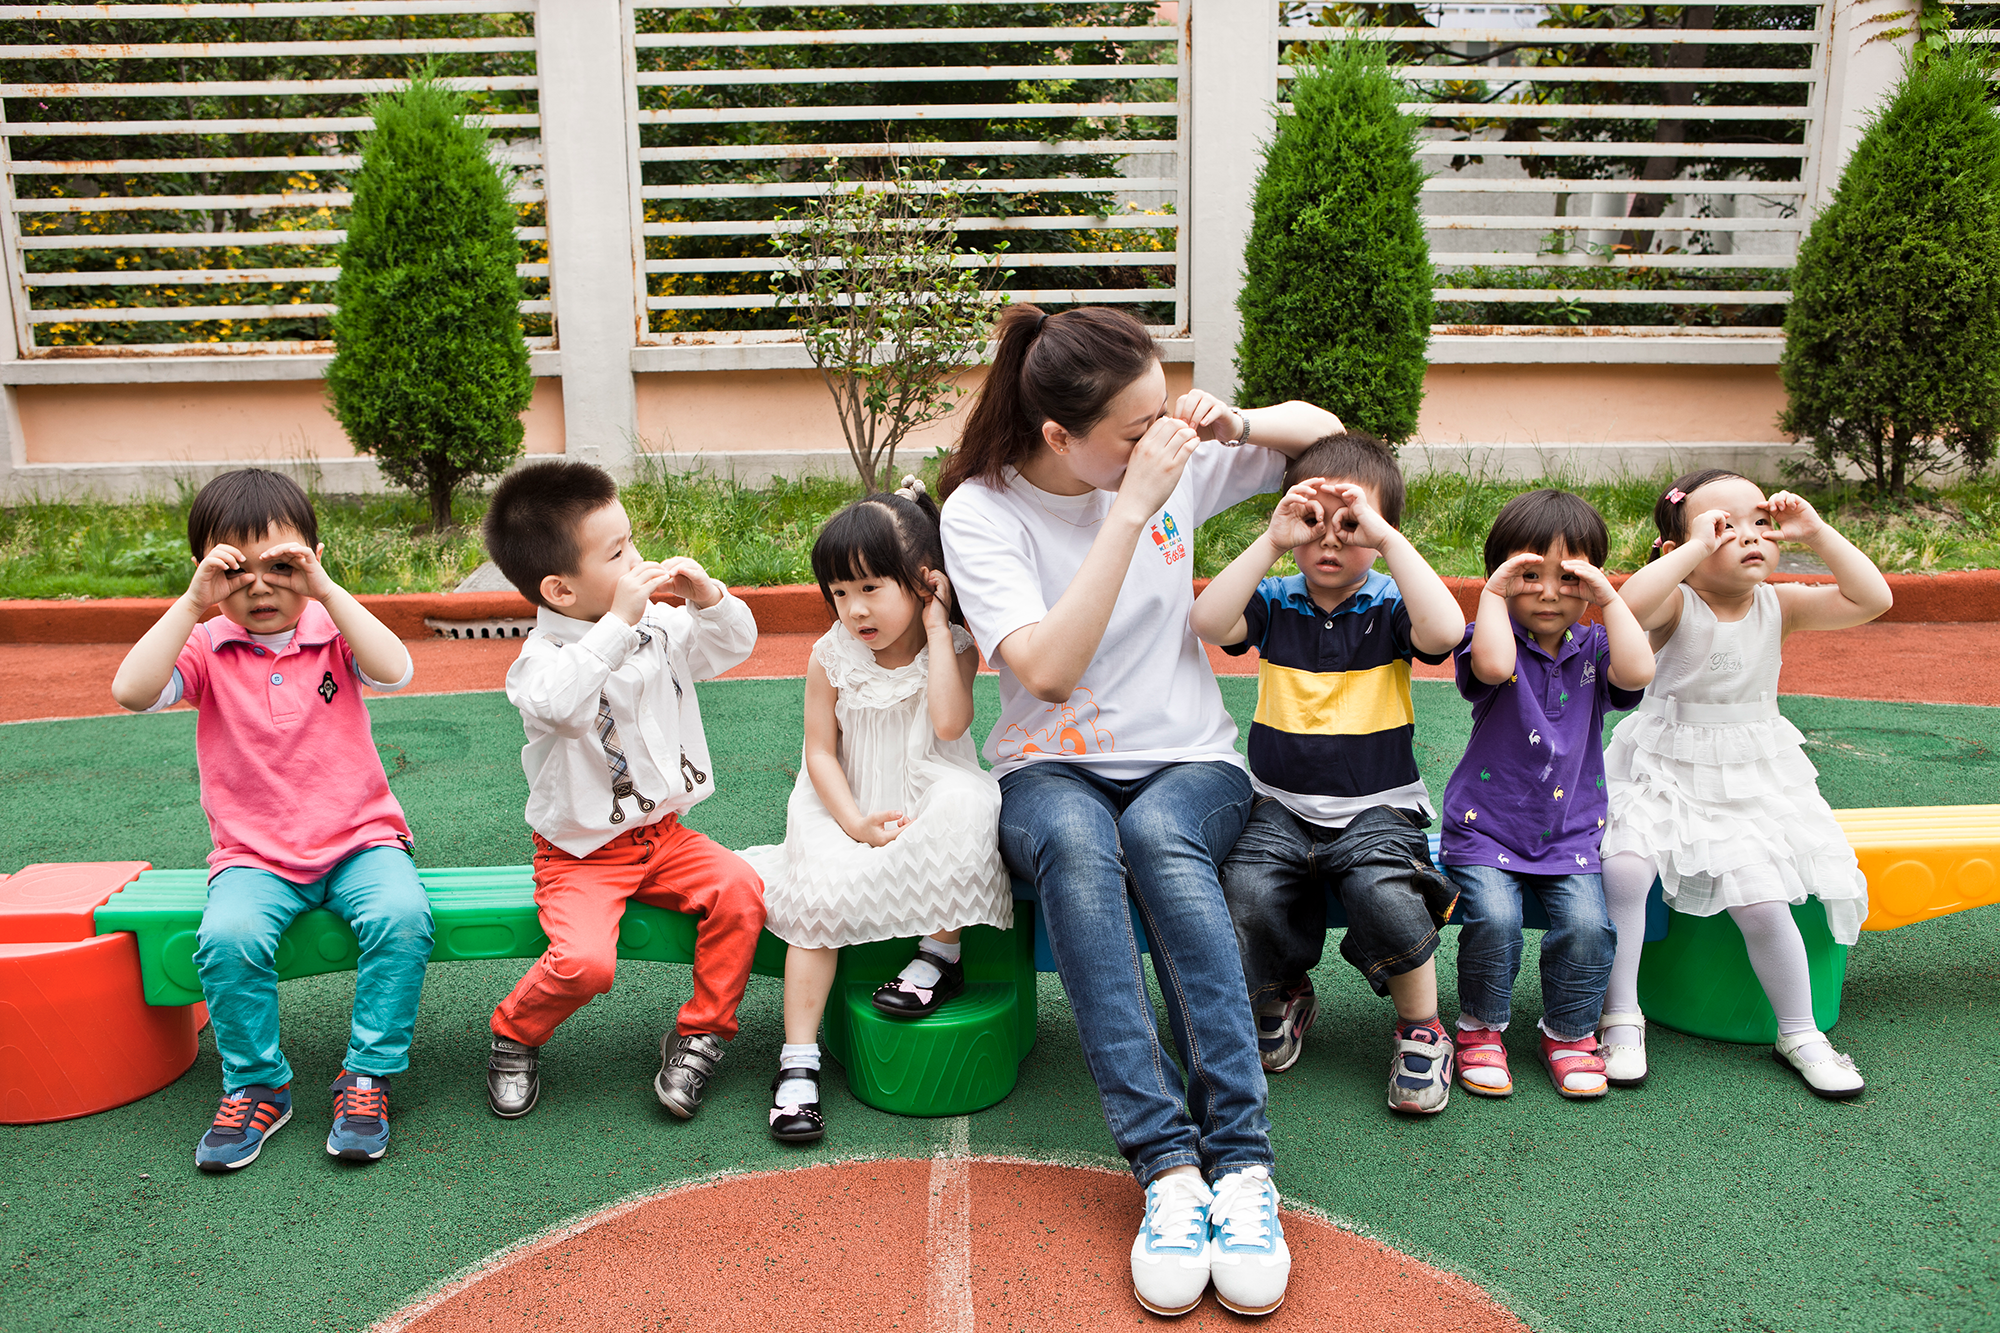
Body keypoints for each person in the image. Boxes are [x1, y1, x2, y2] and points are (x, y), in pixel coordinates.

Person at [939, 303, 1340, 1320]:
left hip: (1188, 761)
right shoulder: (984, 513)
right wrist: (1131, 509)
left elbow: (1325, 433)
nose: (1163, 438)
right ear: (1059, 438)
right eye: (1135, 427)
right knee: (1079, 848)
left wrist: (1235, 420)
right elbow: (1048, 669)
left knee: (1160, 842)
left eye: (1166, 412)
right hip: (1049, 770)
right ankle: (1168, 1168)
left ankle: (1242, 1169)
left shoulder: (1176, 459)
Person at [111, 468, 432, 1171]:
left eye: (282, 566)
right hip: (255, 855)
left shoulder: (332, 631)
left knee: (403, 917)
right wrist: (192, 605)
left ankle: (367, 1074)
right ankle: (258, 1083)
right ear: (205, 572)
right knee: (226, 939)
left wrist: (326, 590)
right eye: (234, 570)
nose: (259, 586)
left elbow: (396, 666)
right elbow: (131, 691)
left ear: (313, 558)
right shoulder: (203, 645)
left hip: (360, 840)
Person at [478, 460, 765, 1121]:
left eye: (632, 541)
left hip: (663, 839)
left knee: (741, 887)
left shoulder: (659, 626)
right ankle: (516, 1033)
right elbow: (558, 705)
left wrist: (707, 596)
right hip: (581, 853)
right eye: (617, 553)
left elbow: (734, 645)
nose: (638, 561)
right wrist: (616, 626)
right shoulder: (542, 663)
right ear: (559, 588)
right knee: (584, 964)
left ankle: (700, 1032)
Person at [1190, 432, 1465, 1115]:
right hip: (1278, 803)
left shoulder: (1389, 603)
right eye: (1314, 521)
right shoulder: (1279, 599)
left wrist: (1391, 542)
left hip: (1379, 805)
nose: (1331, 538)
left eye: (1352, 524)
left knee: (1387, 892)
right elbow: (1208, 618)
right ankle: (1283, 991)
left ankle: (1421, 1025)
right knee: (1246, 893)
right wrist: (1270, 540)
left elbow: (1446, 633)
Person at [1600, 470, 1891, 1098]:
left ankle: (1800, 1030)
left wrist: (1816, 532)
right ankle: (1620, 1016)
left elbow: (1873, 599)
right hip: (1662, 766)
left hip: (1751, 775)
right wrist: (1693, 551)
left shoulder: (1779, 603)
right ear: (1680, 545)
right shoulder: (1677, 603)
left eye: (1761, 521)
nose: (1749, 536)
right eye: (1723, 526)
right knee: (1624, 871)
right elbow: (1626, 608)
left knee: (1762, 897)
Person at [739, 479, 1011, 1145]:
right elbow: (820, 753)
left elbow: (950, 723)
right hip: (844, 798)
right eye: (839, 591)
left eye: (870, 588)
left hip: (925, 787)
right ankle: (797, 1059)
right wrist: (854, 821)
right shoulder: (831, 654)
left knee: (969, 805)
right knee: (817, 896)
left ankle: (940, 954)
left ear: (921, 584)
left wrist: (937, 629)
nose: (854, 608)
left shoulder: (950, 646)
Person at [1436, 490, 1652, 1101]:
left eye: (1570, 576)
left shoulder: (1595, 647)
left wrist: (1608, 598)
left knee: (1588, 926)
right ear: (1502, 576)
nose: (1551, 591)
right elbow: (1494, 667)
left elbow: (1638, 673)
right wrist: (1496, 594)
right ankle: (1480, 1028)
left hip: (1571, 828)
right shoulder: (1488, 636)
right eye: (1530, 575)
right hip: (1486, 827)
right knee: (1496, 918)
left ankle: (1569, 1033)